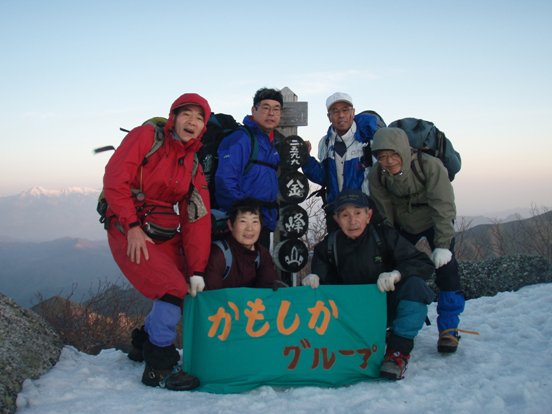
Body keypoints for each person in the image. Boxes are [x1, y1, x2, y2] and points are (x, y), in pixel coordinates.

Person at [103, 93, 212, 391]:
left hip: (162, 230)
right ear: (173, 117)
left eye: (200, 117)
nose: (193, 121)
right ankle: (159, 367)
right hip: (126, 224)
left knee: (185, 285)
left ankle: (143, 345)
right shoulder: (145, 137)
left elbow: (197, 219)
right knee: (171, 288)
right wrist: (132, 226)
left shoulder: (192, 164)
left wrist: (197, 269)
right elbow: (114, 179)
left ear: (204, 127)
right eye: (186, 114)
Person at [302, 189, 435, 380]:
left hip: (386, 307)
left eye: (358, 213)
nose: (352, 221)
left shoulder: (385, 236)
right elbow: (324, 290)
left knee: (416, 287)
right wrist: (312, 282)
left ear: (368, 215)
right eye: (345, 215)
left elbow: (423, 263)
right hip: (350, 316)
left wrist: (397, 274)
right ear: (337, 219)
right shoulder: (328, 247)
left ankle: (397, 354)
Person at [367, 127, 466, 354]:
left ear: (403, 150)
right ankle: (393, 322)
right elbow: (384, 213)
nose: (388, 161)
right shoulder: (377, 174)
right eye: (382, 156)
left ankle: (449, 330)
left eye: (393, 155)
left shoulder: (430, 166)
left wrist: (442, 245)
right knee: (390, 270)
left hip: (434, 221)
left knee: (447, 271)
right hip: (403, 223)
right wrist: (389, 244)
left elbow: (443, 206)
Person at [301, 92, 384, 231]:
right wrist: (306, 159)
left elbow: (382, 176)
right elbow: (324, 177)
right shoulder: (325, 143)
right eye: (335, 111)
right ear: (329, 117)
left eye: (345, 110)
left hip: (365, 211)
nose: (341, 115)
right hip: (337, 211)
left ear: (353, 112)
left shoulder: (368, 140)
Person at [215, 88, 283, 250]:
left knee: (257, 270)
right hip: (243, 224)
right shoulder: (241, 138)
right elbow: (225, 180)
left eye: (276, 109)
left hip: (262, 221)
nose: (271, 113)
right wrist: (243, 215)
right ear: (254, 110)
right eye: (266, 108)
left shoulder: (272, 142)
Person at [203, 198, 280, 290]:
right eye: (243, 221)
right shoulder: (218, 254)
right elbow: (211, 297)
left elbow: (269, 292)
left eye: (255, 222)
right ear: (230, 225)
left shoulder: (262, 255)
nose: (250, 228)